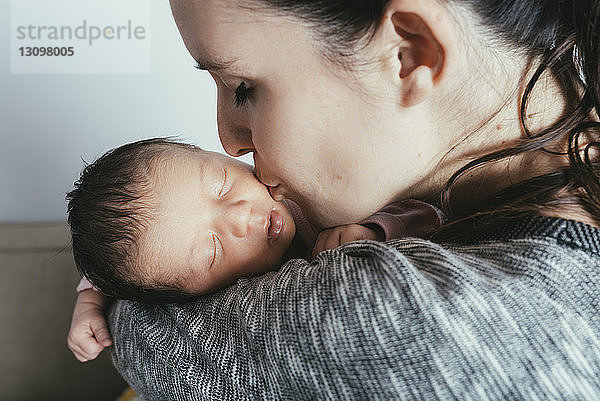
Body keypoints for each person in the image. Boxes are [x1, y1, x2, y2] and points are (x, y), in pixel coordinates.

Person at [94, 0, 600, 399]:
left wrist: (115, 287)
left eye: (242, 86)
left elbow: (154, 327)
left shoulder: (418, 318)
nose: (229, 140)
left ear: (410, 52)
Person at [66, 137, 443, 362]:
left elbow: (433, 211)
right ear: (195, 295)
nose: (241, 214)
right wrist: (90, 303)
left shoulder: (301, 187)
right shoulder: (248, 302)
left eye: (221, 184)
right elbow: (119, 274)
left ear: (207, 152)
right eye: (212, 250)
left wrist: (375, 229)